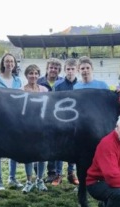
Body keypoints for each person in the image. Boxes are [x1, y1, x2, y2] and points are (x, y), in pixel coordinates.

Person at [0, 53, 24, 190]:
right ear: (3, 63)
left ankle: (12, 177)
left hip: (14, 118)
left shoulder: (18, 80)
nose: (9, 63)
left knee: (14, 148)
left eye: (11, 61)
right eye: (7, 61)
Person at [50, 58, 79, 186]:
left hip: (76, 122)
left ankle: (71, 173)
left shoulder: (80, 85)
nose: (70, 71)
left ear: (76, 70)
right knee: (60, 147)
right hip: (60, 121)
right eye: (68, 69)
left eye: (73, 69)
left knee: (73, 148)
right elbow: (52, 103)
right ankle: (58, 174)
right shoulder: (58, 85)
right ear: (65, 70)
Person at [21, 64, 49, 193]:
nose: (33, 76)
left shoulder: (44, 90)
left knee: (42, 155)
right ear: (26, 75)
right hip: (26, 127)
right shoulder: (21, 90)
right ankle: (28, 181)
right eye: (31, 73)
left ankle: (40, 180)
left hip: (42, 127)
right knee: (28, 155)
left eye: (36, 73)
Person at [37, 58, 64, 183]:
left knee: (58, 146)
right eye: (51, 67)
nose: (53, 70)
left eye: (56, 68)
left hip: (58, 118)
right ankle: (39, 174)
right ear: (47, 68)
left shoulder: (62, 82)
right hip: (42, 118)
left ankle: (56, 173)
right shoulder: (39, 82)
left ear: (59, 70)